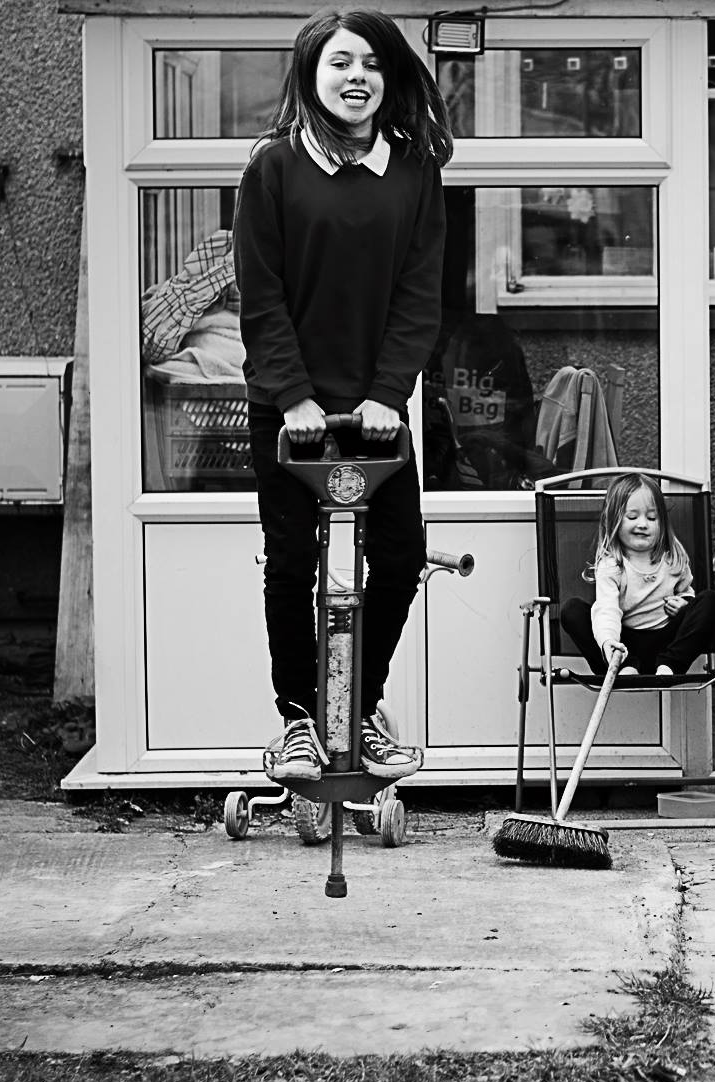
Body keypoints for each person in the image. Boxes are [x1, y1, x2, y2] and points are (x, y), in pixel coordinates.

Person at [235, 6, 452, 783]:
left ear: (389, 77)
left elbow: (419, 294)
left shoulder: (415, 169)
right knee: (293, 562)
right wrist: (293, 396)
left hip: (378, 413)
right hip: (288, 409)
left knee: (400, 557)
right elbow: (259, 297)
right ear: (311, 73)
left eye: (371, 63)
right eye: (339, 62)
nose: (356, 76)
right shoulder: (273, 168)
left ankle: (357, 708)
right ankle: (300, 719)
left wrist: (391, 391)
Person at [559, 472, 715, 677]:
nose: (643, 523)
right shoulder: (612, 565)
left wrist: (685, 604)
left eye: (652, 517)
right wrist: (609, 641)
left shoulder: (673, 558)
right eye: (632, 516)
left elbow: (686, 592)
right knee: (572, 611)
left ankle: (671, 666)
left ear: (661, 522)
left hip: (667, 644)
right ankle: (620, 667)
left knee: (711, 601)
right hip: (625, 646)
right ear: (614, 521)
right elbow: (607, 610)